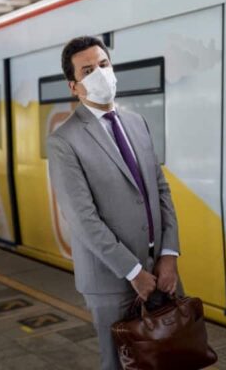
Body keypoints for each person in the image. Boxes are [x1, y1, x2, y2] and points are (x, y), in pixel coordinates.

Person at [47, 36, 181, 370]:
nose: (100, 75)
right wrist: (133, 271)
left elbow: (160, 190)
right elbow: (82, 218)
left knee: (173, 356)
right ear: (74, 86)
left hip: (160, 270)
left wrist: (168, 254)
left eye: (103, 65)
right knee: (120, 364)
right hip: (111, 282)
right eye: (88, 70)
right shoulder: (65, 140)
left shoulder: (136, 123)